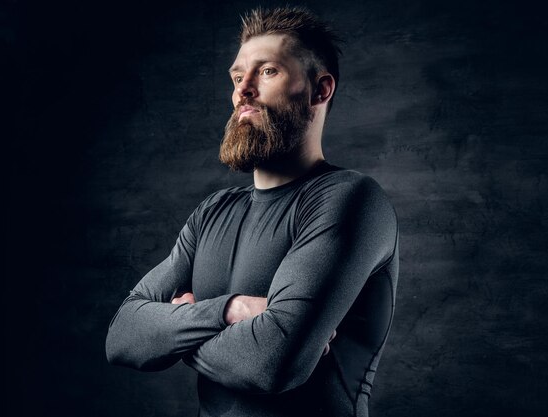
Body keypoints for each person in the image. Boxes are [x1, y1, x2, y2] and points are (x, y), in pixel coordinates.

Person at [106, 6, 399, 417]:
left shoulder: (349, 198)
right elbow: (122, 337)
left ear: (320, 90)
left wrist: (179, 330)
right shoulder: (213, 211)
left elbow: (271, 364)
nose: (243, 89)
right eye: (237, 75)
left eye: (267, 72)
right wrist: (232, 310)